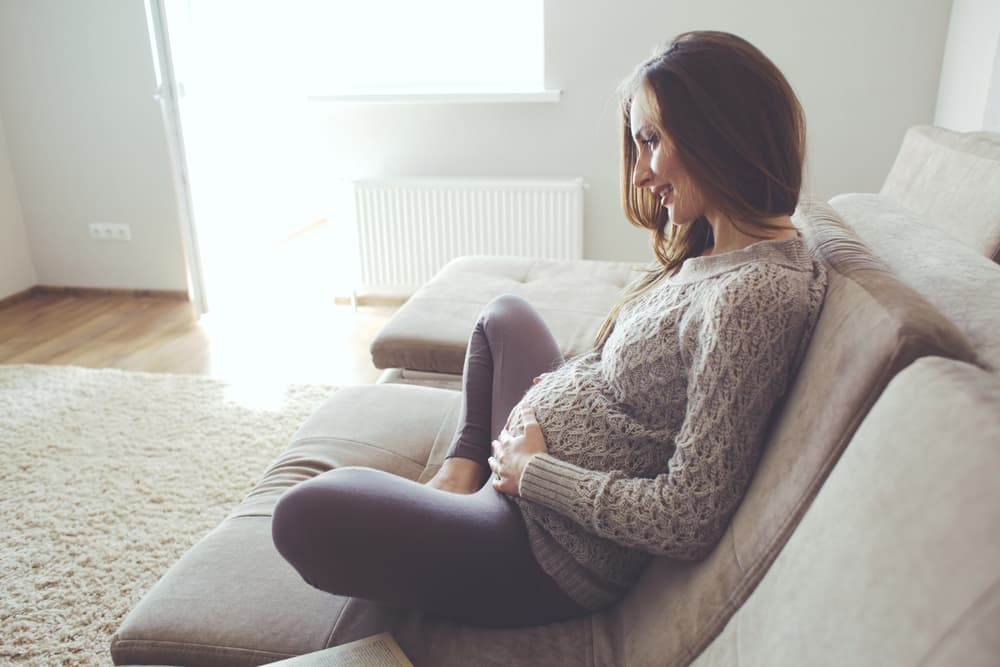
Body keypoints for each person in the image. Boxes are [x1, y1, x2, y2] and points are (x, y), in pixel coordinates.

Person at [271, 30, 828, 629]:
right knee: (504, 315)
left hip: (545, 546)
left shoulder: (754, 297)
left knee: (305, 514)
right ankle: (461, 472)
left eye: (651, 141)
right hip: (526, 476)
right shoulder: (717, 250)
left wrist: (535, 473)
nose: (640, 176)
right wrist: (566, 386)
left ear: (717, 131)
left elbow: (688, 517)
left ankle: (476, 486)